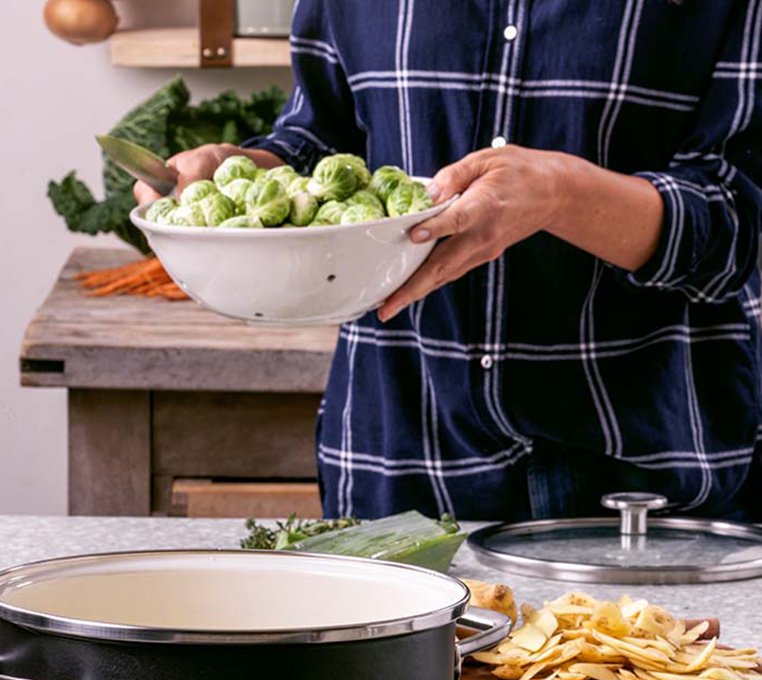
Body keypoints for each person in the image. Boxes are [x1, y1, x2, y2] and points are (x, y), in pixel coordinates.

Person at [136, 1, 762, 522]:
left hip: (647, 465)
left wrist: (562, 194)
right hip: (402, 453)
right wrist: (245, 175)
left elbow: (742, 218)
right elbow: (326, 143)